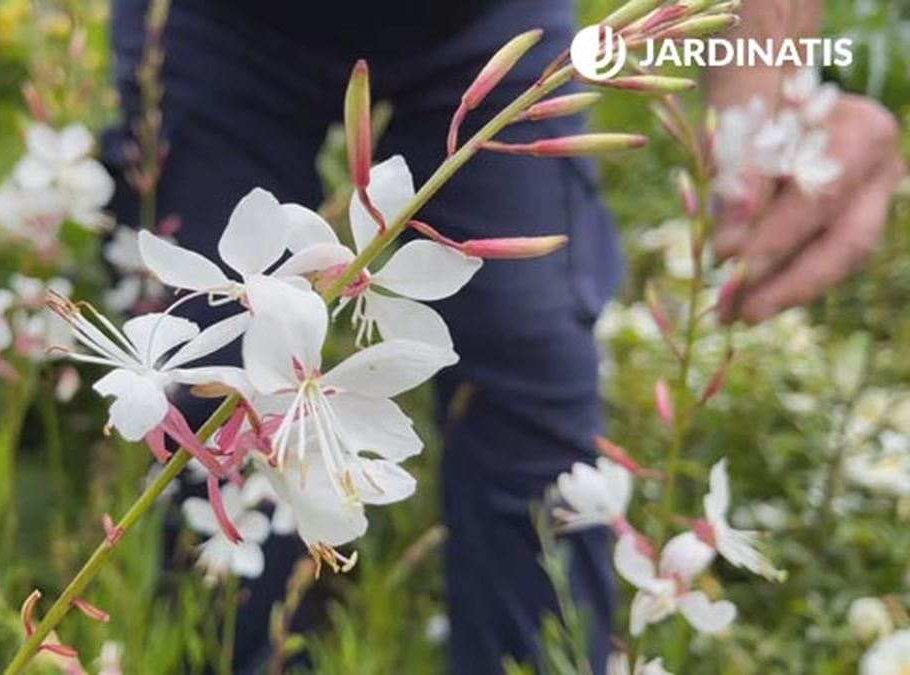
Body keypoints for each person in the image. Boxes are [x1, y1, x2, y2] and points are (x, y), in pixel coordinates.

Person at [100, 0, 905, 672]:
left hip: (483, 23)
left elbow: (757, 55)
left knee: (530, 379)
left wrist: (775, 102)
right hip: (214, 20)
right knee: (206, 389)